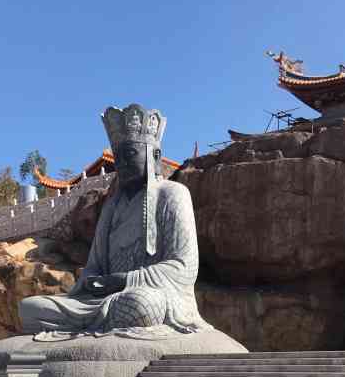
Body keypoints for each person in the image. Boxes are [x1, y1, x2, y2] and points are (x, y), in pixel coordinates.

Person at [19, 103, 210, 335]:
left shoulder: (172, 194)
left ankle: (102, 322)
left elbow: (184, 267)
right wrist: (92, 282)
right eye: (117, 158)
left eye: (129, 154)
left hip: (154, 295)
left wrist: (125, 281)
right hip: (104, 300)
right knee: (30, 308)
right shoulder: (112, 207)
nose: (121, 164)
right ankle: (101, 322)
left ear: (155, 155)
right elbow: (93, 267)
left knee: (142, 305)